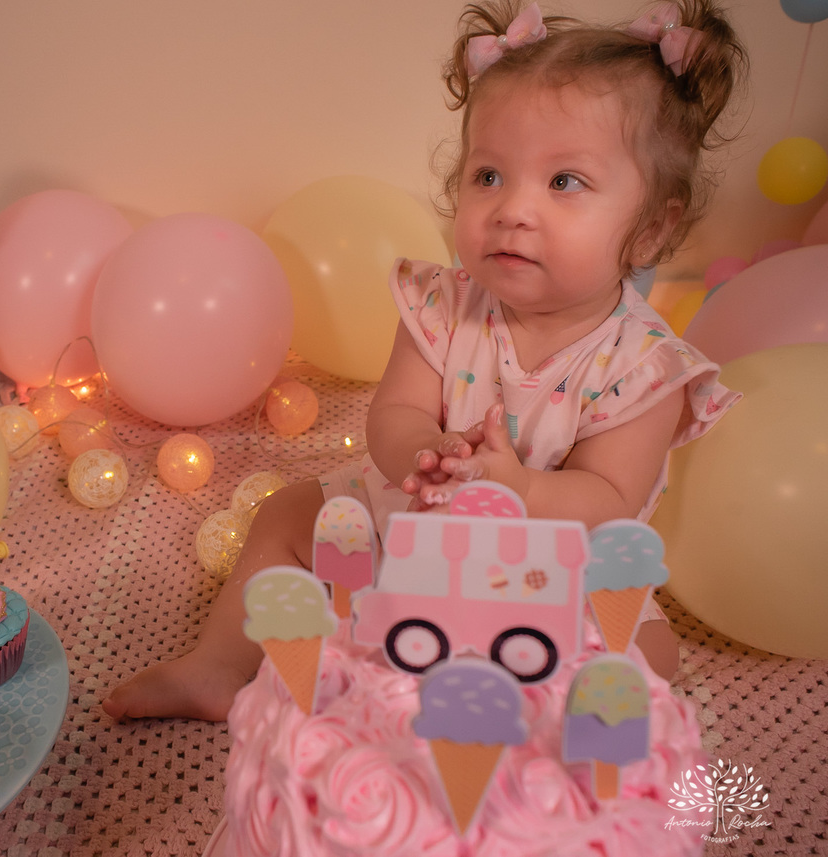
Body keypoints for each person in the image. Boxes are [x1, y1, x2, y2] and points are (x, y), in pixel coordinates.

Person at [104, 0, 748, 723]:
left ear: (652, 227)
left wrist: (521, 490)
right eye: (490, 176)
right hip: (418, 524)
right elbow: (397, 412)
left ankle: (531, 719)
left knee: (650, 655)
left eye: (564, 182)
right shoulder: (442, 304)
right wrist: (425, 450)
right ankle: (219, 666)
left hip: (553, 571)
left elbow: (608, 497)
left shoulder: (646, 365)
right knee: (287, 512)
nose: (512, 209)